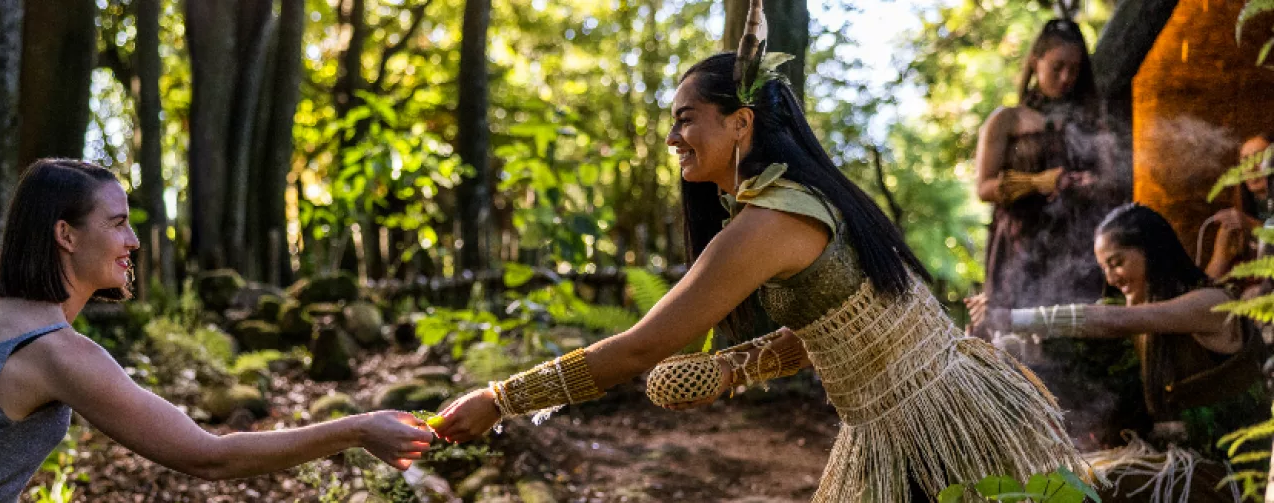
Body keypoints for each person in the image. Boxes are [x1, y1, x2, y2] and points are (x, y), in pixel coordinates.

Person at [431, 7, 1088, 499]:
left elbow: (637, 348)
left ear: (741, 122)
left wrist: (502, 397)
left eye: (685, 118)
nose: (672, 138)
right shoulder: (797, 199)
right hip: (909, 418)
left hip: (932, 421)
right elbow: (838, 324)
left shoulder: (767, 222)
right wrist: (739, 366)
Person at [0, 159, 434, 502]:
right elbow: (209, 458)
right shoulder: (55, 353)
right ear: (65, 235)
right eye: (117, 224)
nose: (134, 241)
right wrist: (357, 429)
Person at [972, 203, 1266, 502]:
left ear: (1152, 252)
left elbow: (1112, 321)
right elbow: (1071, 341)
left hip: (1230, 479)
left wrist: (1013, 319)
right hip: (1177, 465)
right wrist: (988, 343)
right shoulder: (1143, 321)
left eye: (1117, 262)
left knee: (1101, 486)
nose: (1111, 278)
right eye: (1104, 268)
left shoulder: (1210, 304)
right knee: (1061, 479)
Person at [970, 16, 1138, 448]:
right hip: (1018, 250)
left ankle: (1072, 442)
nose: (1066, 77)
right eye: (1057, 66)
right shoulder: (1006, 120)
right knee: (1012, 340)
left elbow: (1114, 182)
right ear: (1036, 61)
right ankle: (1003, 442)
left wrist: (1088, 185)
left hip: (1077, 250)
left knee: (1068, 342)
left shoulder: (1089, 121)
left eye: (1074, 69)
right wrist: (1038, 182)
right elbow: (984, 187)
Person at [1203, 133, 1273, 282]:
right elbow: (1210, 281)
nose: (1251, 167)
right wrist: (1221, 256)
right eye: (1245, 160)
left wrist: (1252, 225)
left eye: (1260, 159)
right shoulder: (1240, 217)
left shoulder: (1245, 221)